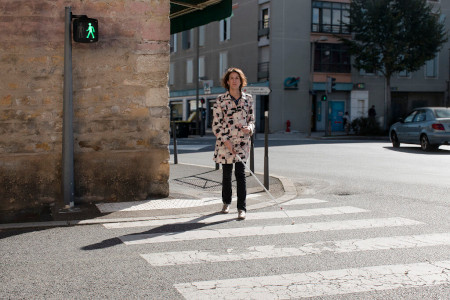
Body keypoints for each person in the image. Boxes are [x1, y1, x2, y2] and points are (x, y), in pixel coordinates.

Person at [212, 68, 255, 220]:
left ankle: (242, 208)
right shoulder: (220, 100)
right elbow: (216, 124)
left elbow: (251, 120)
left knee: (241, 175)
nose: (235, 80)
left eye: (237, 78)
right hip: (226, 142)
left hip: (242, 142)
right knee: (226, 175)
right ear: (227, 81)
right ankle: (226, 202)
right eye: (232, 78)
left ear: (241, 81)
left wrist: (249, 128)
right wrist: (226, 141)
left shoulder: (248, 99)